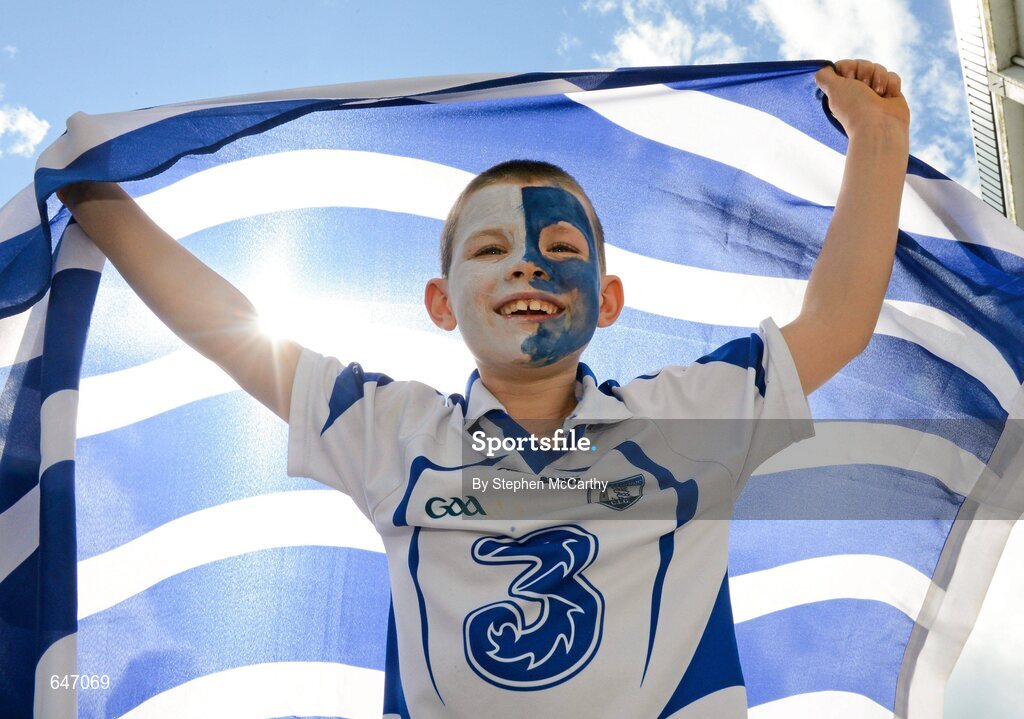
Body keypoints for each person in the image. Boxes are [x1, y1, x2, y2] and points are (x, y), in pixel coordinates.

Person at [57, 59, 910, 717]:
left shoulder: (691, 414)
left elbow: (836, 323)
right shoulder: (392, 432)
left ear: (609, 300)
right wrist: (95, 197)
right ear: (440, 302)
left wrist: (876, 138)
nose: (529, 260)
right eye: (491, 249)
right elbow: (227, 327)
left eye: (562, 248)